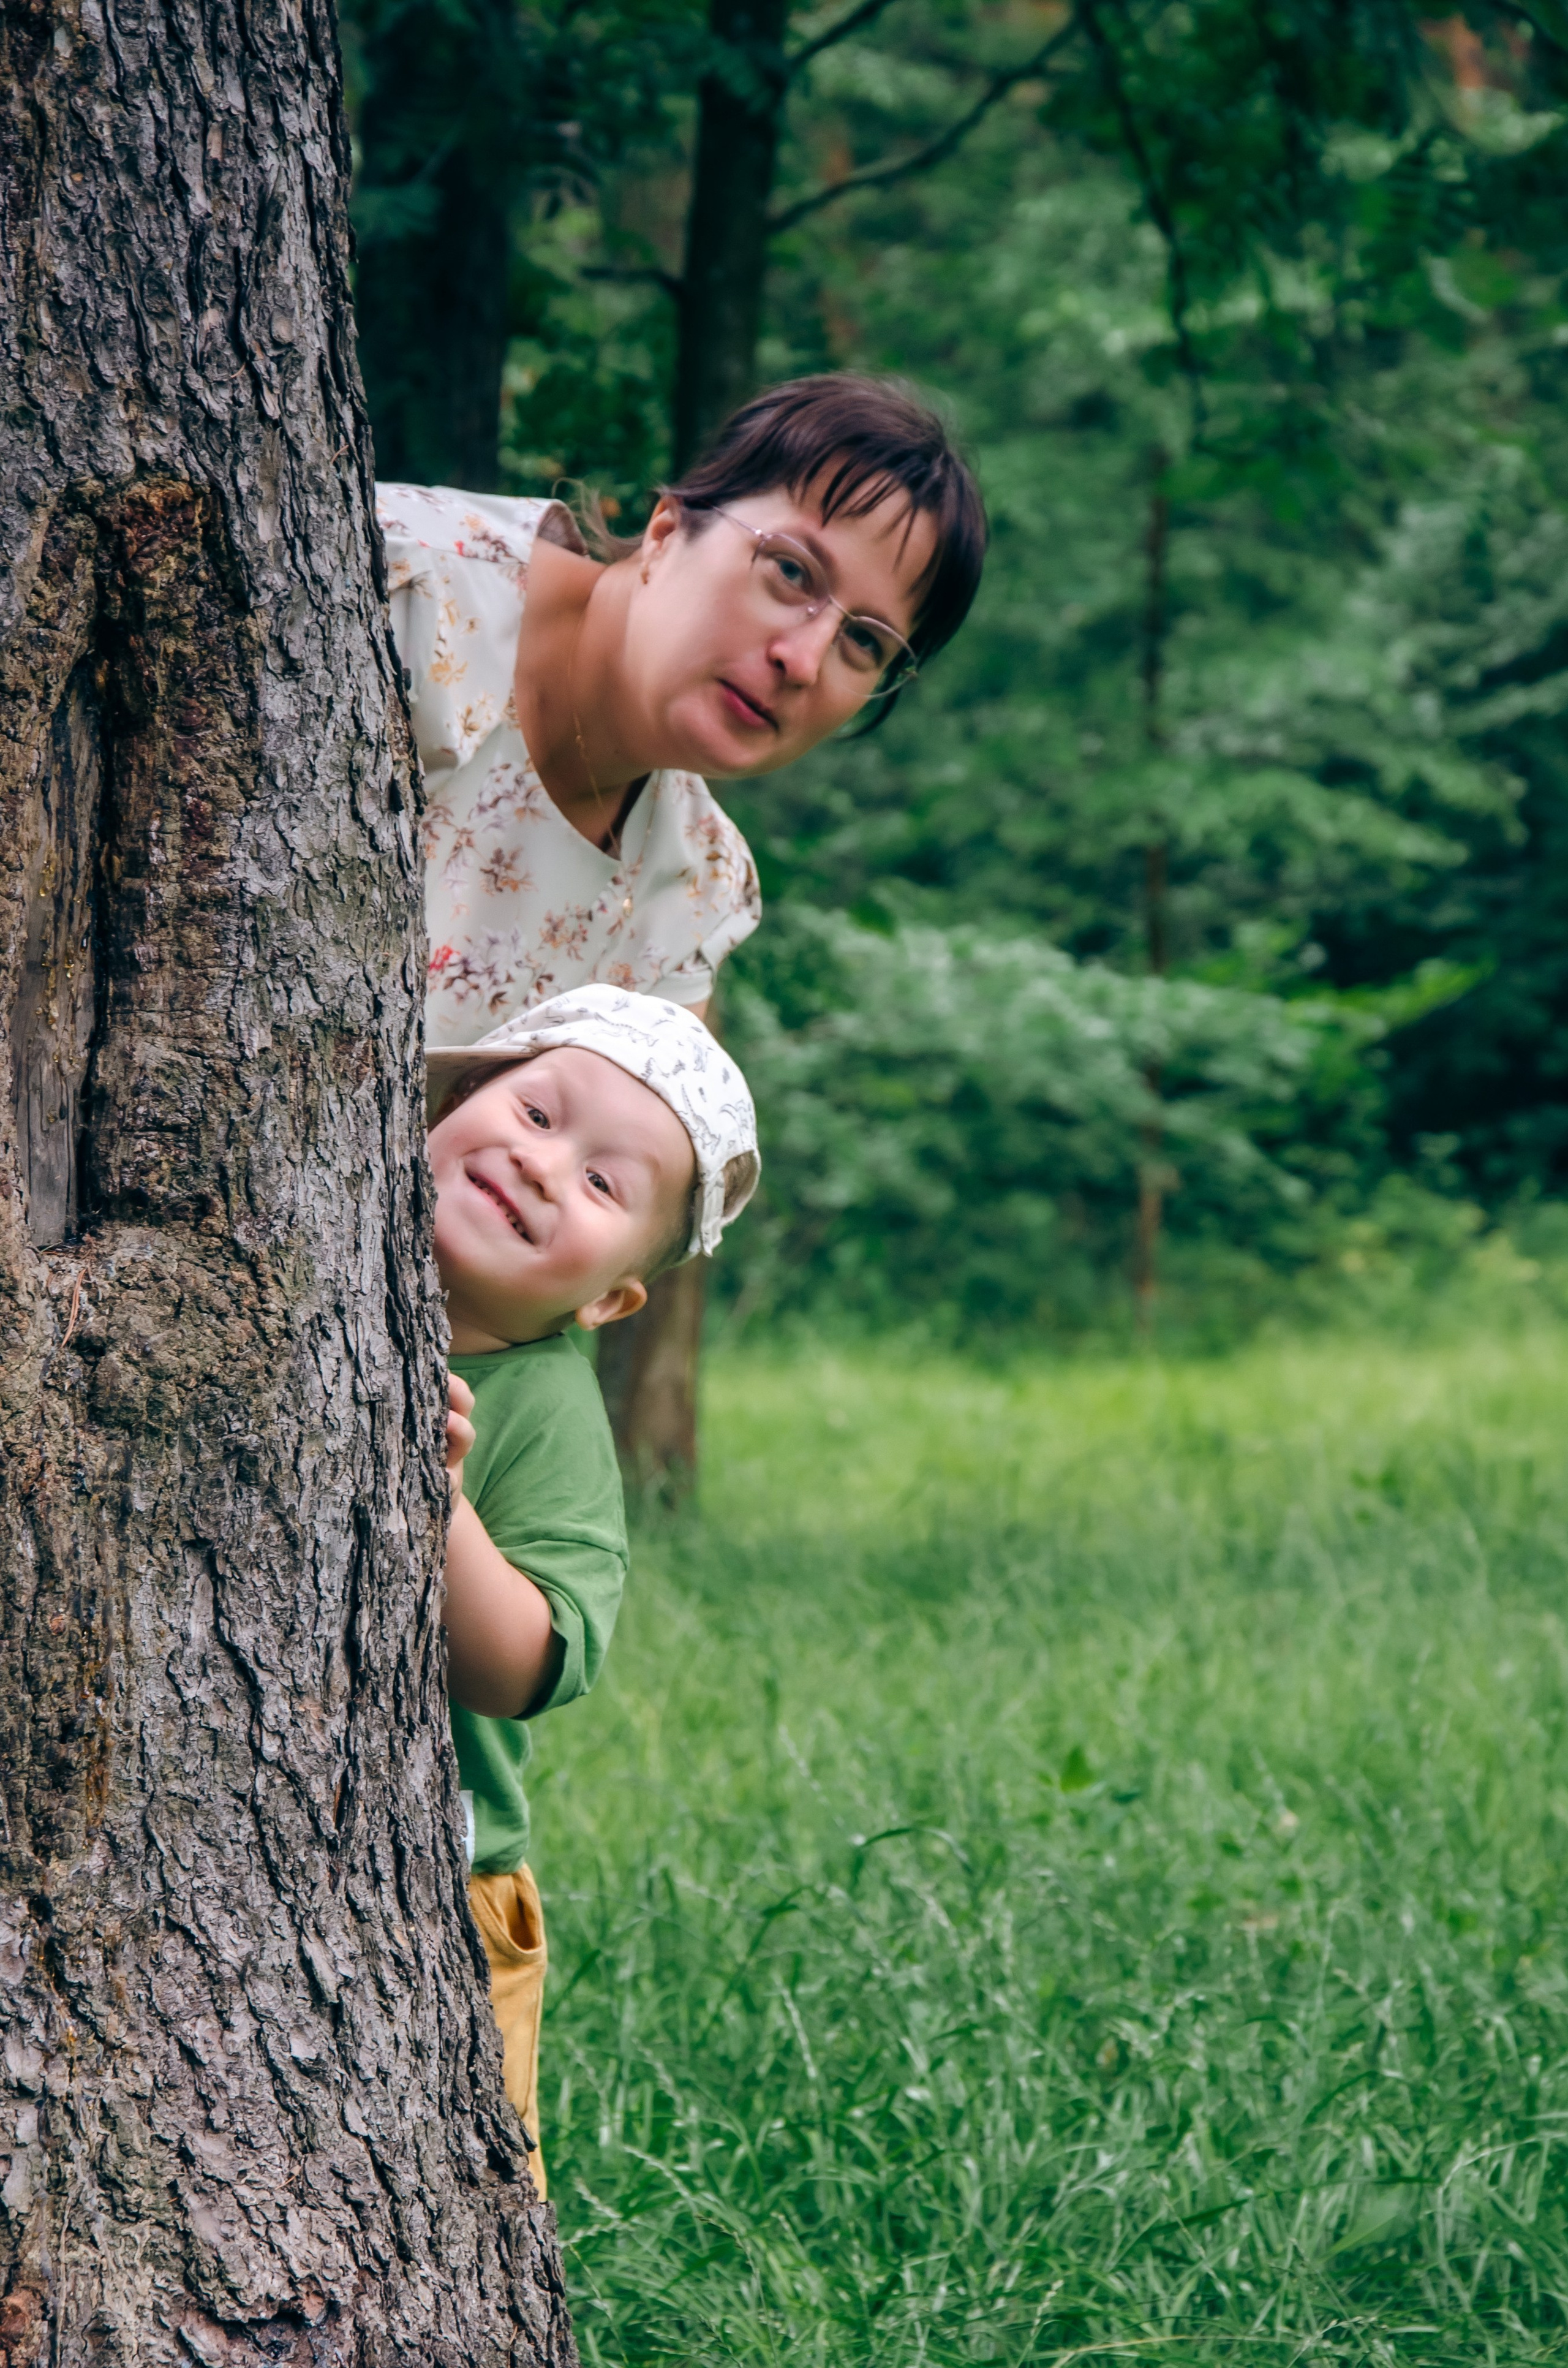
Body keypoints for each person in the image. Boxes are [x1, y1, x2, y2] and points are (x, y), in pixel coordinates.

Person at [378, 373, 988, 1043]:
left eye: (864, 640)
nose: (805, 660)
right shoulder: (399, 589)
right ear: (667, 531)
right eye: (791, 571)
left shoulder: (693, 890)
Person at [427, 985, 760, 2195]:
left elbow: (532, 1664)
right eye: (532, 1108)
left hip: (438, 1882)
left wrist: (440, 1503)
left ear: (609, 1298)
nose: (540, 1161)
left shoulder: (548, 1408)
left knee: (454, 2189)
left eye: (604, 1185)